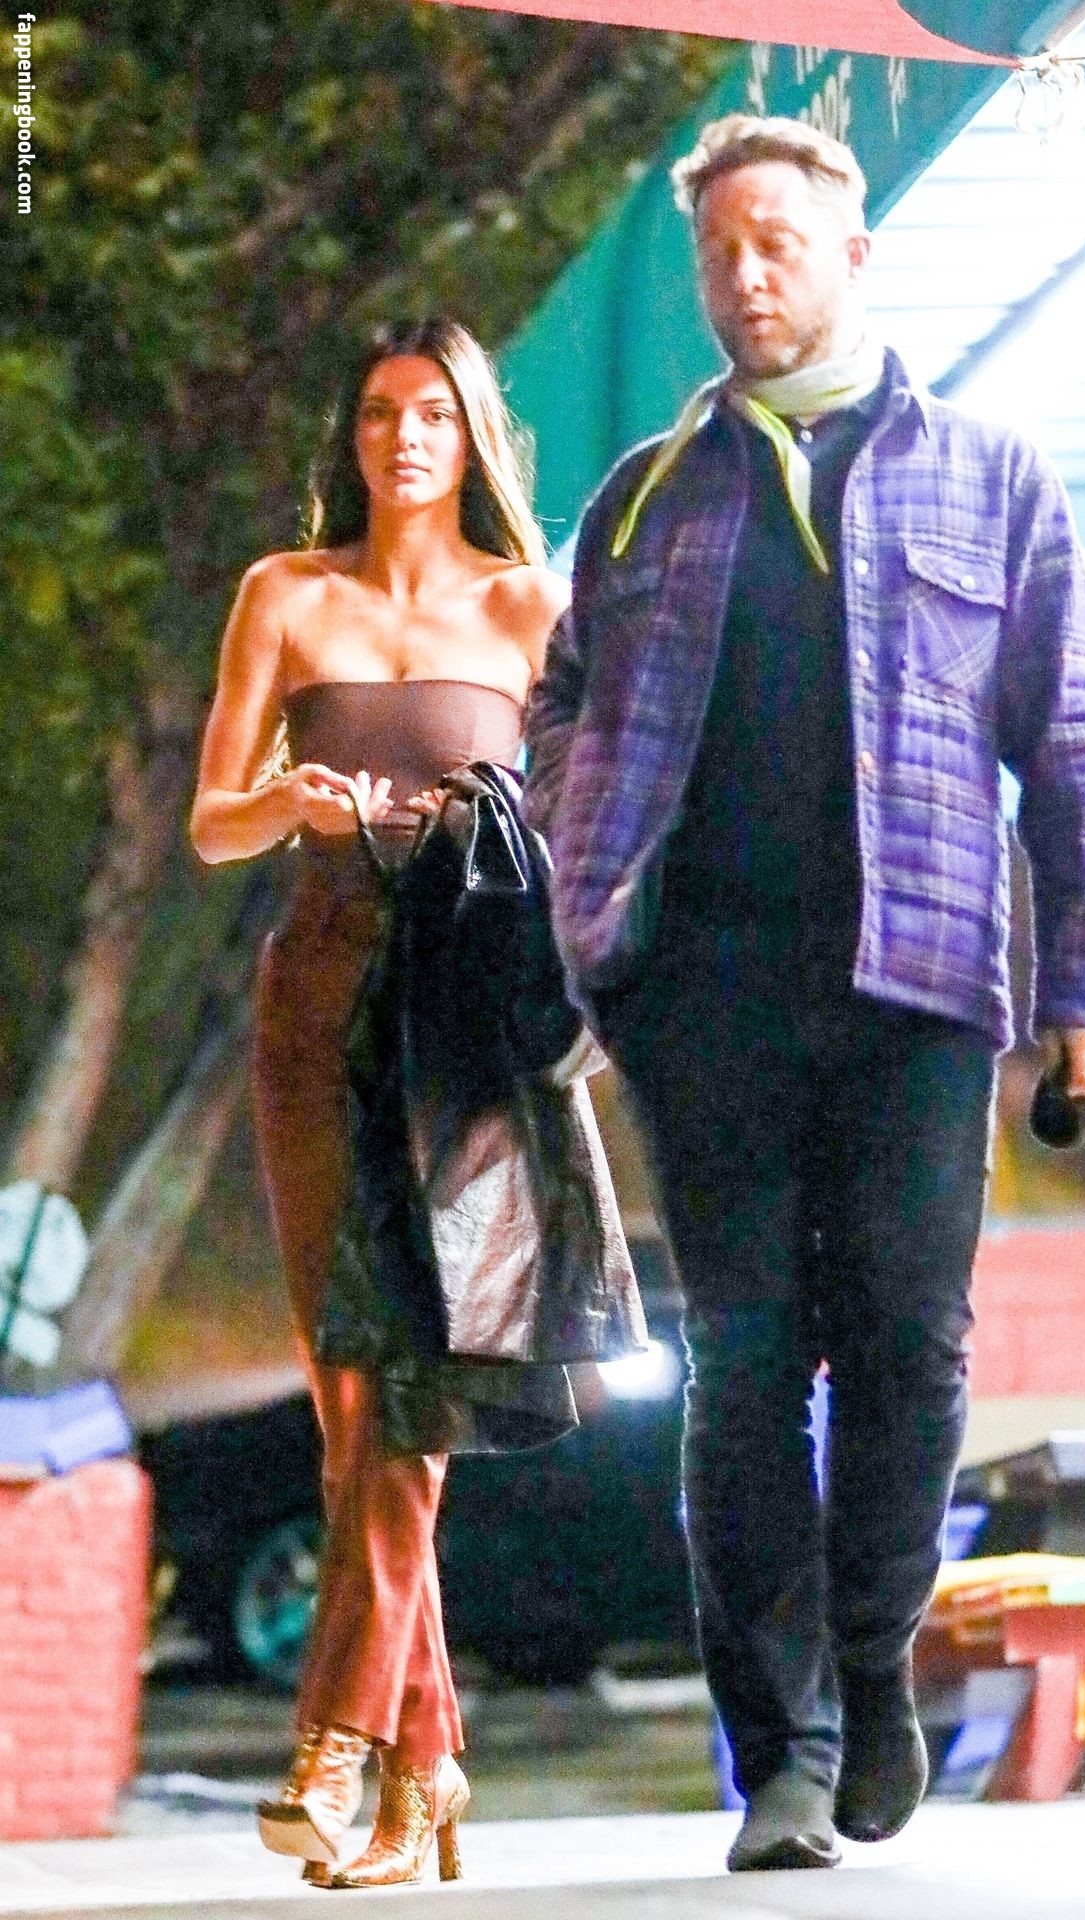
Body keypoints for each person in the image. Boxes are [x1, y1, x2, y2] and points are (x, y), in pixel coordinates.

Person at [524, 114, 1085, 1873]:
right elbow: (562, 701)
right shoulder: (645, 494)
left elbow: (1078, 745)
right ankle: (779, 1751)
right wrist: (588, 862)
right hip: (700, 1000)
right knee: (740, 1368)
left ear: (853, 256)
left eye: (777, 242)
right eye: (720, 249)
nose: (745, 275)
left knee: (908, 1346)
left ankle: (874, 1661)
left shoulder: (991, 477)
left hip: (919, 992)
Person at [190, 317, 570, 1888]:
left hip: (467, 1020)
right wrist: (283, 800)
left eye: (431, 413)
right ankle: (431, 1764)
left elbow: (584, 819)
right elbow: (211, 822)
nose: (402, 436)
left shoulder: (530, 604)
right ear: (351, 437)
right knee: (357, 1389)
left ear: (473, 435)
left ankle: (338, 1744)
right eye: (377, 413)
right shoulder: (285, 595)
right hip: (319, 1004)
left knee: (419, 1379)